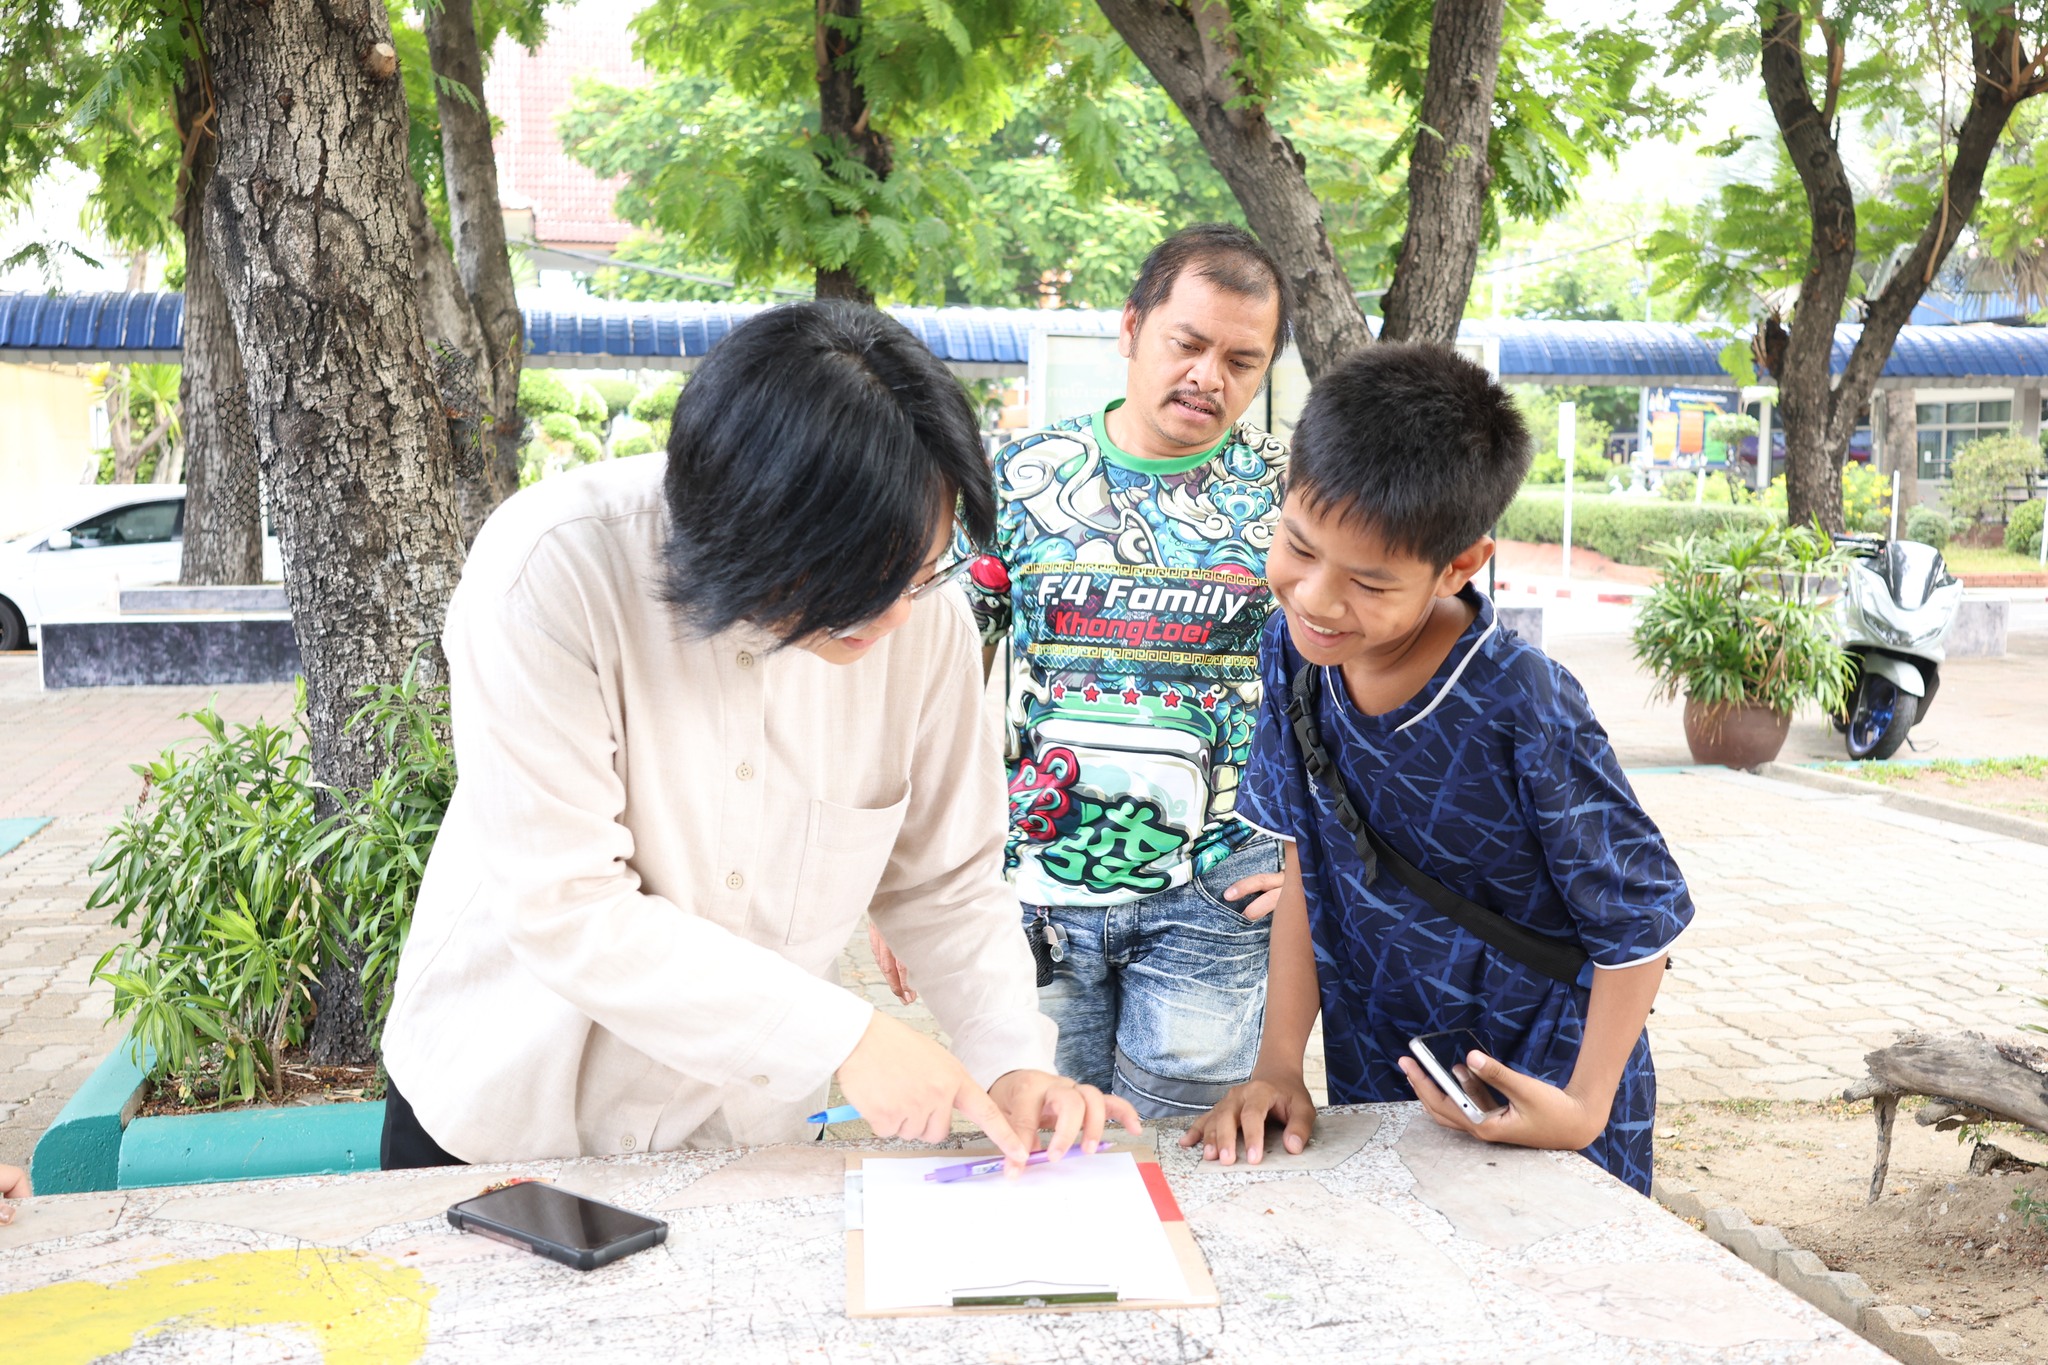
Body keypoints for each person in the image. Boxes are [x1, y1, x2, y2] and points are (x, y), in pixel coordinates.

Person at [380, 301, 1139, 1171]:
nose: (897, 613)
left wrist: (1010, 1060)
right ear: (750, 528)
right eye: (857, 579)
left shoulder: (925, 622)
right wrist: (845, 1037)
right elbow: (568, 904)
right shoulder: (551, 569)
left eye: (922, 571)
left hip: (738, 1131)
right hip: (507, 1105)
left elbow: (947, 881)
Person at [1182, 343, 1693, 1193]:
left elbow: (1639, 920)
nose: (1315, 597)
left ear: (1458, 566)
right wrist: (1277, 1064)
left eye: (1369, 582)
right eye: (1299, 547)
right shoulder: (1294, 652)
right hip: (1385, 1069)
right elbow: (1311, 866)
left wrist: (1584, 1105)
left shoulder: (1522, 699)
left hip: (1542, 1082)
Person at [902, 224, 1297, 1120]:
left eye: (1242, 360)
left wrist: (1322, 865)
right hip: (1035, 886)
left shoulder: (1294, 494)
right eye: (1187, 343)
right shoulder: (1021, 478)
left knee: (1190, 1149)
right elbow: (937, 675)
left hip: (1220, 895)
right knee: (1041, 1142)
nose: (1208, 376)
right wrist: (918, 870)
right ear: (1130, 327)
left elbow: (1344, 679)